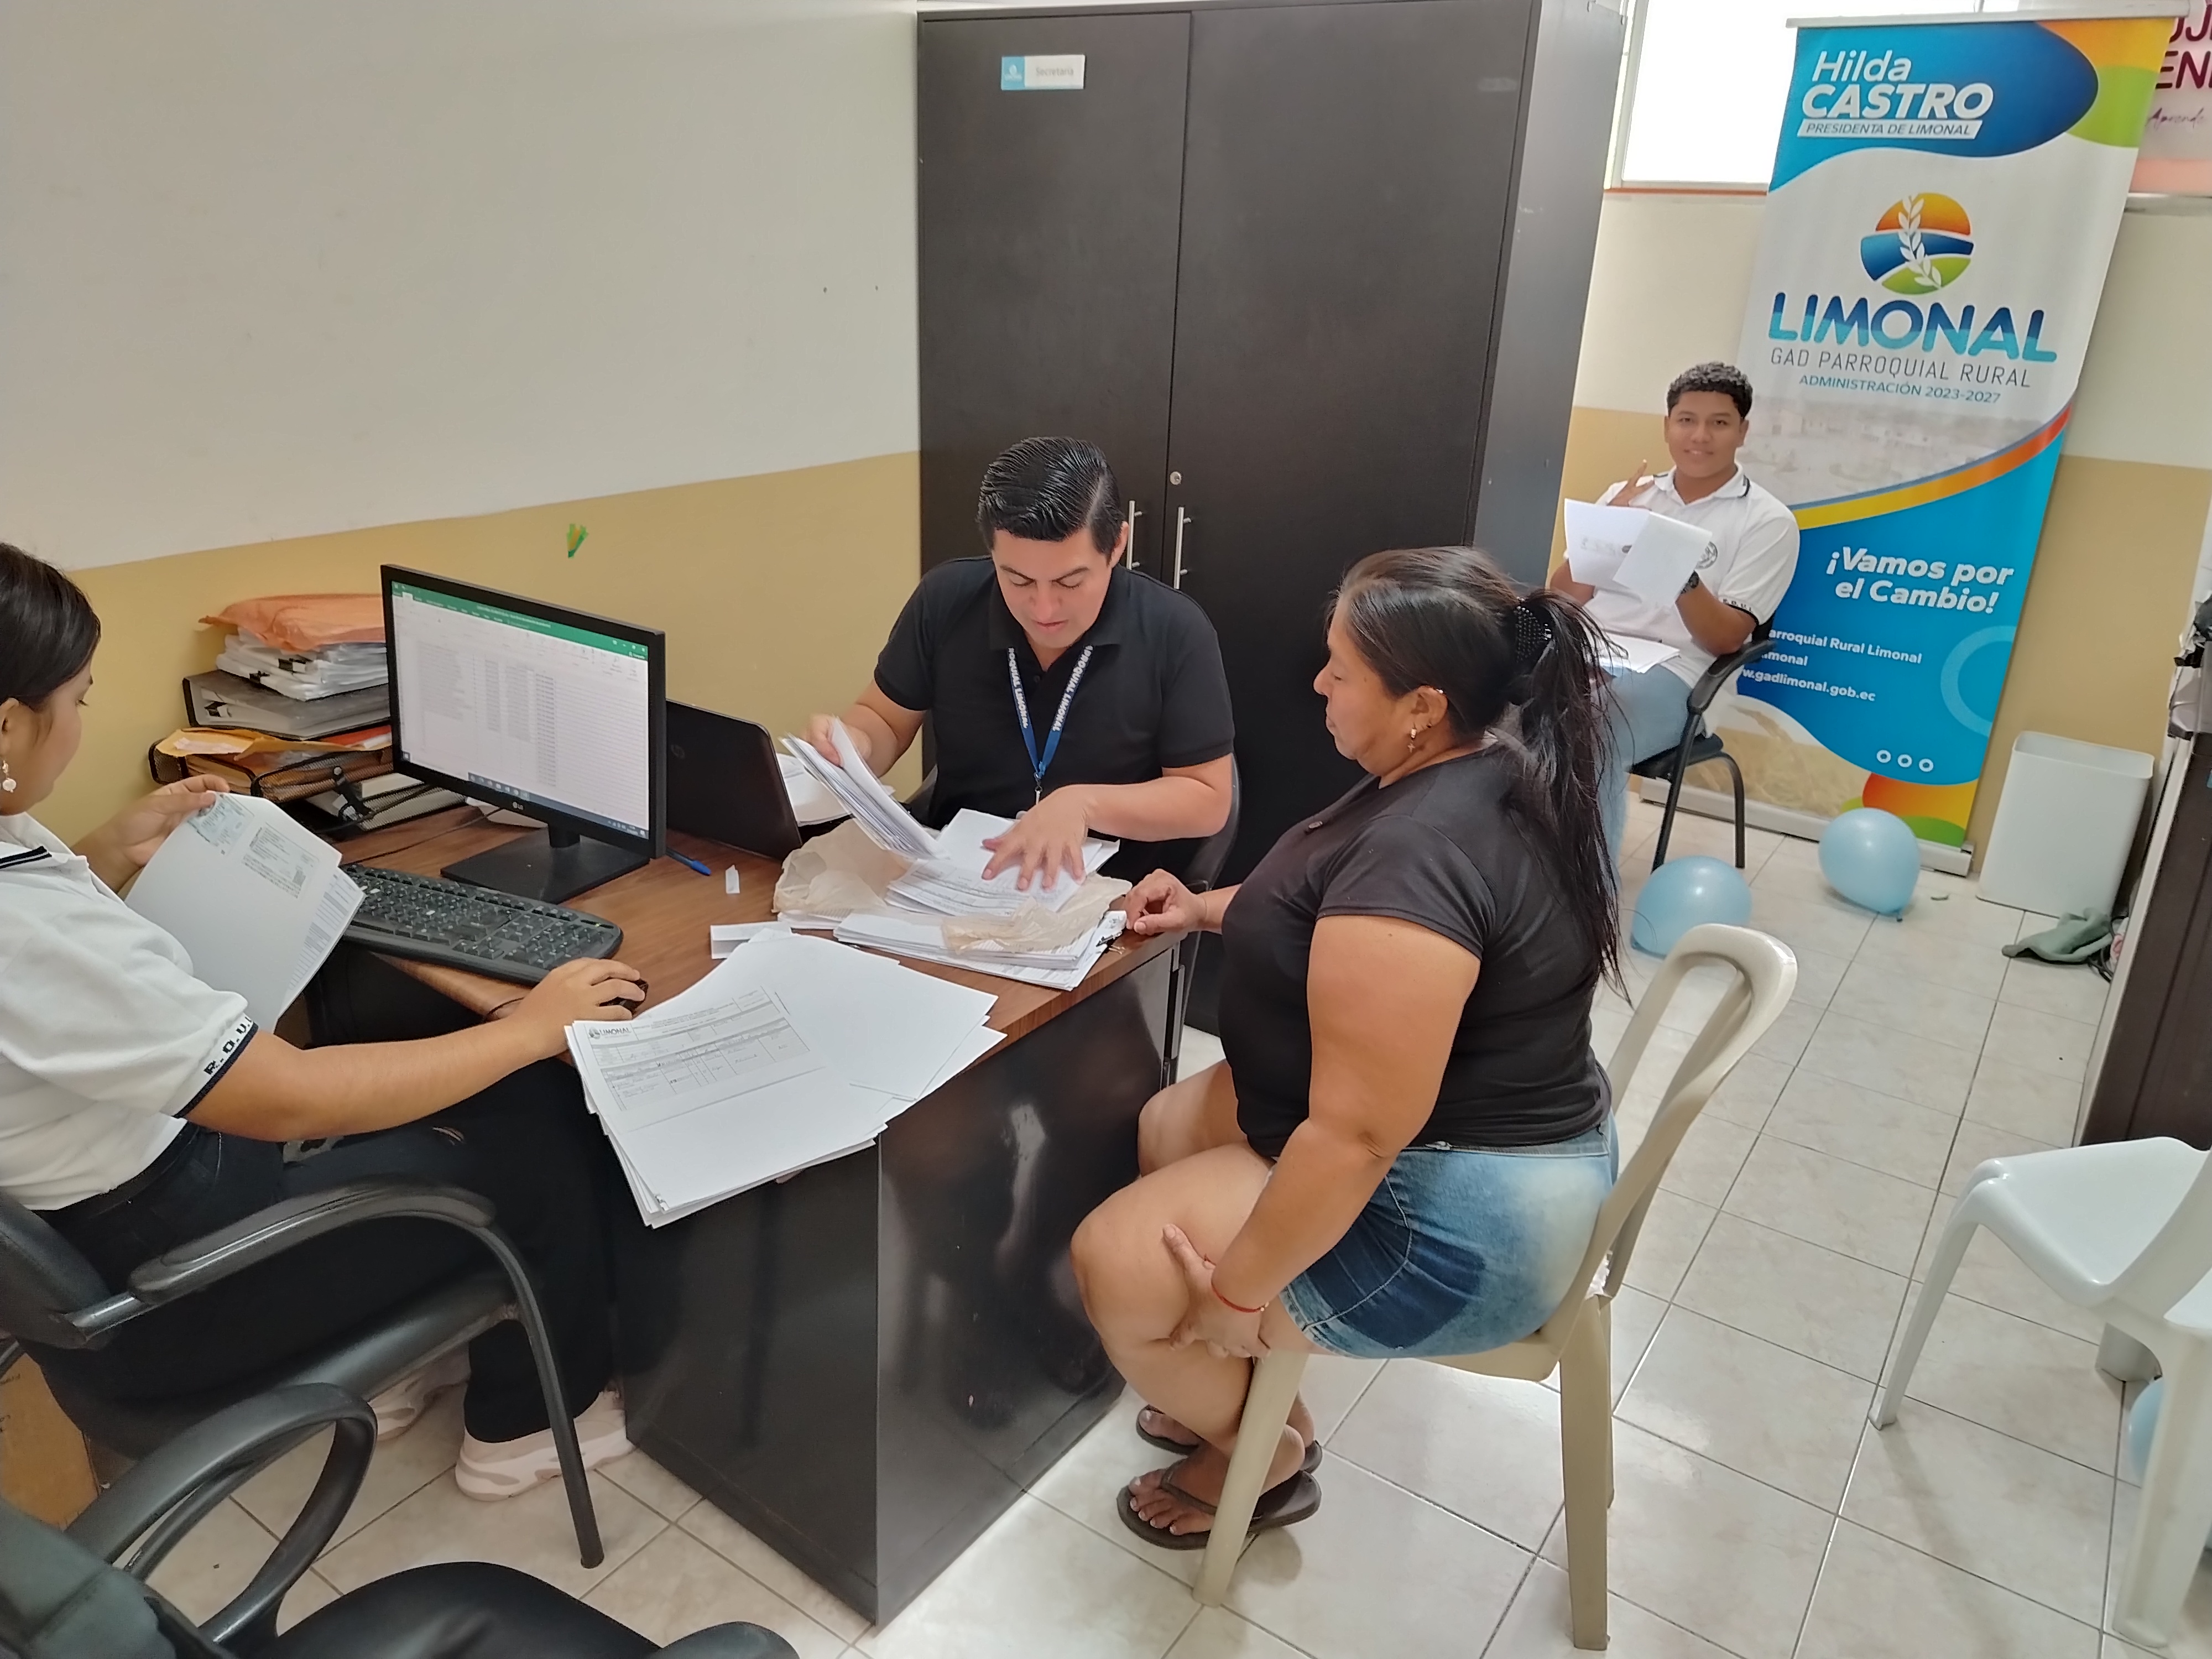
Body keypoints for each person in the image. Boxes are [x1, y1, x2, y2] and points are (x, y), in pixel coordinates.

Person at [0, 542, 645, 1499]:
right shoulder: (23, 931)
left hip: (125, 1229)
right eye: (79, 700)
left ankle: (402, 1364)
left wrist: (107, 851)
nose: (81, 723)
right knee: (541, 1124)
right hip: (178, 1294)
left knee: (396, 1065)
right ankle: (525, 1430)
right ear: (8, 724)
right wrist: (531, 1027)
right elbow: (289, 1098)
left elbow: (46, 972)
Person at [1070, 546, 1620, 1545]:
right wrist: (1200, 907)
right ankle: (1240, 1397)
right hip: (1463, 1142)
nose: (1318, 683)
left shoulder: (1422, 854)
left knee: (1113, 1260)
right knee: (1169, 1121)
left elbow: (1359, 1137)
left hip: (1457, 1225)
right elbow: (1317, 900)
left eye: (1341, 669)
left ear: (1421, 706)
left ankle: (1259, 1451)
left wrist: (1238, 1294)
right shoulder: (1471, 764)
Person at [805, 436, 1234, 887]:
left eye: (1070, 582)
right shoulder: (946, 601)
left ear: (1117, 546)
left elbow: (1207, 798)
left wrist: (1083, 806)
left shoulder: (1175, 631)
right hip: (956, 879)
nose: (1043, 609)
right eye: (1018, 580)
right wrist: (852, 746)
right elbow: (885, 721)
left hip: (1109, 892)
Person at [1548, 361, 1800, 861]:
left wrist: (1676, 568)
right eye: (1687, 420)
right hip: (1593, 650)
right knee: (1493, 705)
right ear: (1667, 426)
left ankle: (1584, 889)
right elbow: (1564, 596)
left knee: (1593, 732)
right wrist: (1605, 529)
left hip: (1680, 673)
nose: (1700, 436)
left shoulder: (1767, 521)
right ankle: (1499, 870)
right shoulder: (1628, 495)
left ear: (1742, 432)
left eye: (1719, 423)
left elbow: (1725, 639)